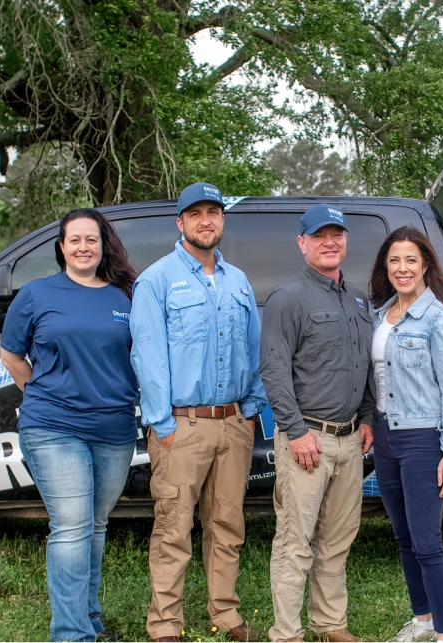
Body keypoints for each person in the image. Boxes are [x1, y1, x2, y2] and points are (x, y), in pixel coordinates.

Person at [129, 182, 266, 643]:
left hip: (232, 423)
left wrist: (249, 410)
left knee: (227, 523)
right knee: (173, 526)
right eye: (196, 213)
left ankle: (224, 613)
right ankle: (165, 624)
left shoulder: (238, 281)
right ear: (180, 222)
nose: (206, 220)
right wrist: (162, 424)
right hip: (181, 426)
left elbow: (255, 347)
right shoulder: (157, 280)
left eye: (214, 212)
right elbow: (147, 356)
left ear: (222, 220)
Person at [0, 208, 141, 643]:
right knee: (73, 525)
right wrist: (44, 395)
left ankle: (89, 618)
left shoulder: (123, 297)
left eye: (91, 240)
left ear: (103, 246)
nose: (83, 247)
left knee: (95, 525)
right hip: (54, 426)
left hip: (114, 429)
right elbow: (11, 355)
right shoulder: (37, 294)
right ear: (61, 246)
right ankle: (71, 634)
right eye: (74, 239)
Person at [259, 204, 376, 643]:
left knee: (337, 540)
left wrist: (366, 418)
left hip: (349, 441)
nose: (330, 242)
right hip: (307, 439)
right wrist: (296, 431)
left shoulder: (358, 299)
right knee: (295, 542)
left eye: (337, 234)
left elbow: (363, 364)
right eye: (320, 235)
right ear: (302, 243)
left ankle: (330, 625)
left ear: (345, 241)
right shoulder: (288, 298)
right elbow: (273, 370)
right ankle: (287, 633)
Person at [365, 227, 443, 643]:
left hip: (423, 440)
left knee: (427, 541)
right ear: (385, 267)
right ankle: (424, 619)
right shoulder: (381, 316)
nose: (402, 268)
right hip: (385, 435)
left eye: (411, 259)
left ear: (426, 264)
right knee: (402, 535)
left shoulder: (441, 321)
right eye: (394, 260)